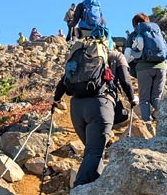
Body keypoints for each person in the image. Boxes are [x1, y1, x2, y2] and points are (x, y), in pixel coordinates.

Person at [49, 37, 134, 186]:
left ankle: (96, 187)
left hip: (76, 108)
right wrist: (133, 99)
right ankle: (80, 190)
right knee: (94, 153)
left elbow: (63, 82)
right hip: (100, 105)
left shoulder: (80, 56)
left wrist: (55, 100)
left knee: (92, 153)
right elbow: (126, 81)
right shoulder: (115, 56)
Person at [125, 13, 167, 127]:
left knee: (144, 98)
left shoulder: (134, 35)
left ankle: (147, 124)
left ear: (134, 24)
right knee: (156, 97)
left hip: (144, 69)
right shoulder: (157, 33)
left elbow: (126, 56)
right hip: (161, 67)